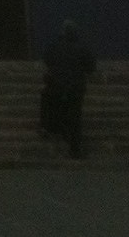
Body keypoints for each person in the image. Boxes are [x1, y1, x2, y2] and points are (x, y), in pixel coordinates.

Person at [41, 20, 97, 158]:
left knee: (52, 105)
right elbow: (91, 67)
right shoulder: (82, 48)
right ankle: (74, 149)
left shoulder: (54, 46)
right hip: (75, 88)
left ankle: (49, 128)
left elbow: (47, 60)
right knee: (75, 117)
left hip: (56, 86)